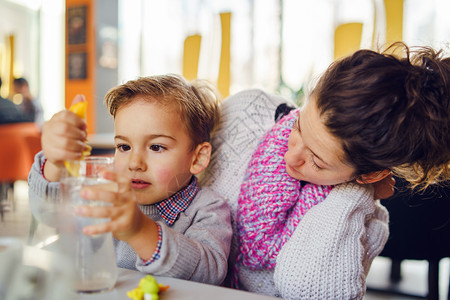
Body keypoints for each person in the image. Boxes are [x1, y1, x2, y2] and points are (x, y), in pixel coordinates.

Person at [200, 43, 450, 299]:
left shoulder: (363, 223)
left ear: (370, 174)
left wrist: (355, 192)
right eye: (298, 126)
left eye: (317, 162)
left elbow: (307, 291)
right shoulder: (247, 112)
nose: (291, 156)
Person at [28, 74, 233, 285]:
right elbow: (49, 213)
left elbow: (209, 272)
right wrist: (55, 163)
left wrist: (140, 231)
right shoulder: (106, 193)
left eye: (156, 147)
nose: (134, 163)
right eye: (124, 147)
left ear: (197, 158)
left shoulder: (208, 208)